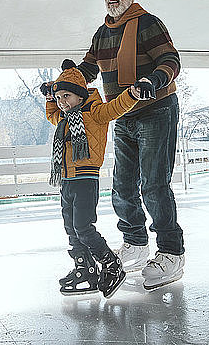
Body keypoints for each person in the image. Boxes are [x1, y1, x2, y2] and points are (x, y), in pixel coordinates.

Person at [75, 0, 185, 290]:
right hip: (122, 113)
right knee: (122, 186)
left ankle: (171, 252)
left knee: (153, 185)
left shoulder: (147, 24)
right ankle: (136, 243)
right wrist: (67, 80)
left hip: (155, 110)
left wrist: (154, 80)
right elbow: (88, 68)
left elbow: (171, 59)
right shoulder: (102, 33)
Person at [41, 59, 141, 298]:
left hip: (85, 179)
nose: (62, 103)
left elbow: (116, 107)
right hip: (67, 180)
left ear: (79, 95)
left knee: (84, 227)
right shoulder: (64, 118)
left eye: (66, 96)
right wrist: (49, 97)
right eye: (59, 98)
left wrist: (133, 93)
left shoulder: (94, 113)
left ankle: (111, 264)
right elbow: (51, 114)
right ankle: (84, 268)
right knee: (71, 228)